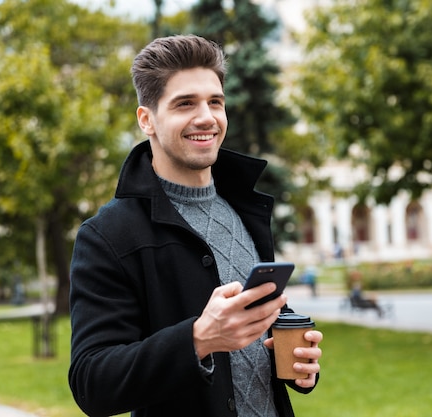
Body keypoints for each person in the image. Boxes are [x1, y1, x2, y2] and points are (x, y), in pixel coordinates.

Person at [68, 34, 322, 417]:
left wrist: (296, 363)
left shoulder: (245, 209)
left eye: (215, 102)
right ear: (146, 119)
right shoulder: (107, 235)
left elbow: (252, 346)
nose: (206, 117)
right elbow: (92, 383)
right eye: (185, 103)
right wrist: (198, 339)